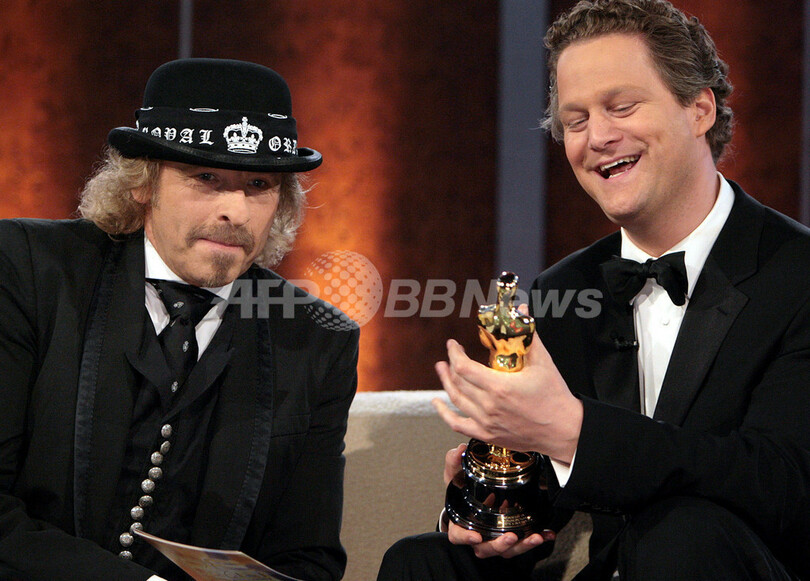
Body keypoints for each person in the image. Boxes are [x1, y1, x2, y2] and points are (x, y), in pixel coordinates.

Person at [377, 0, 810, 579]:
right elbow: (557, 498)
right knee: (422, 562)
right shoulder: (563, 290)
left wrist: (577, 432)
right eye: (576, 121)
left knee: (685, 534)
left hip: (736, 562)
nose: (598, 137)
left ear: (700, 108)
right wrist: (493, 504)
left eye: (621, 107)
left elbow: (785, 483)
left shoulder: (797, 273)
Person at [0, 58, 358, 581]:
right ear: (142, 182)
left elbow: (308, 558)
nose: (236, 211)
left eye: (259, 183)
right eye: (206, 177)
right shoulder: (29, 270)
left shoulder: (317, 337)